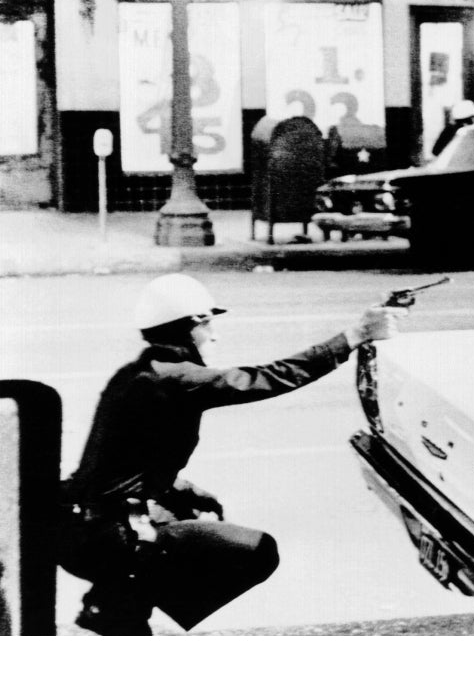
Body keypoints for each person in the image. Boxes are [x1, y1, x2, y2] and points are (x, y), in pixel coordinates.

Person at [57, 273, 407, 636]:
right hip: (109, 536)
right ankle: (118, 599)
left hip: (87, 527)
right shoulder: (178, 378)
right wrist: (353, 336)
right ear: (191, 326)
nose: (214, 334)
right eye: (209, 324)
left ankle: (121, 603)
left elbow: (124, 461)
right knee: (257, 551)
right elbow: (270, 377)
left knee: (189, 514)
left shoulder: (137, 375)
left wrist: (184, 488)